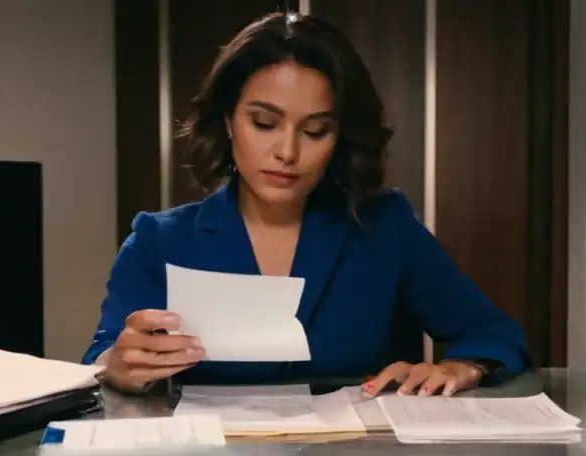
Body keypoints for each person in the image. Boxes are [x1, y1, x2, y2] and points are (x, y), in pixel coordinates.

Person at [82, 11, 530, 395]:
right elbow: (99, 361)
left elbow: (494, 333)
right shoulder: (160, 240)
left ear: (339, 137)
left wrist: (461, 366)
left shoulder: (384, 227)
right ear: (229, 120)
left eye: (315, 131)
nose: (288, 153)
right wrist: (117, 366)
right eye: (264, 123)